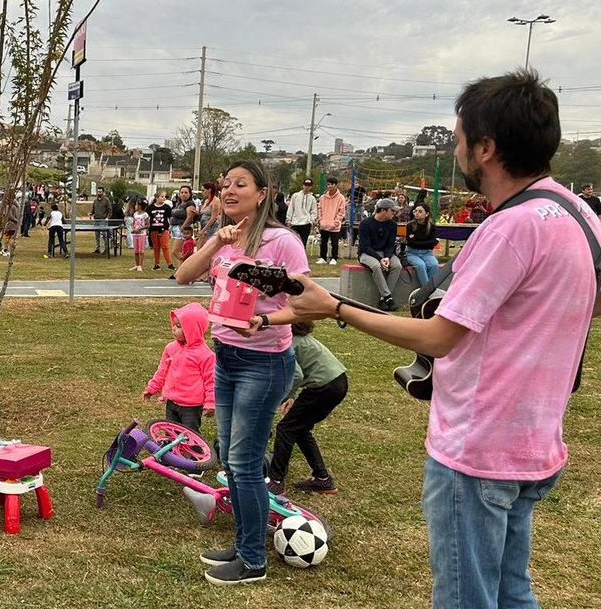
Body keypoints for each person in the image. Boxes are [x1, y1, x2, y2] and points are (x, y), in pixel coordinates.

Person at [288, 69, 600, 609]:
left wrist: (335, 307)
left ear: (486, 148)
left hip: (478, 452)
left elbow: (439, 338)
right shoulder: (579, 215)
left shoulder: (509, 228)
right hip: (535, 443)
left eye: (459, 140)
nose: (456, 152)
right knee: (512, 591)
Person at [174, 159, 309, 585]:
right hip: (226, 357)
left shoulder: (282, 242)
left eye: (241, 184)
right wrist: (217, 239)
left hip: (263, 363)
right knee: (233, 462)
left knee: (245, 463)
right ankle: (243, 543)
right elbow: (182, 276)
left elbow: (305, 306)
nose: (229, 191)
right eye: (225, 185)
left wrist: (264, 321)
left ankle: (252, 561)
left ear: (263, 193)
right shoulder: (225, 240)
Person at [266, 321, 347, 497]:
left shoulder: (286, 342)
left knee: (286, 428)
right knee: (300, 429)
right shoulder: (299, 338)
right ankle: (322, 478)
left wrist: (282, 398)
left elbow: (296, 375)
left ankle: (276, 481)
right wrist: (292, 397)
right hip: (337, 382)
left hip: (324, 386)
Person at [141, 303, 214, 436]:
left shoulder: (205, 355)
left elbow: (211, 381)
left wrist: (210, 402)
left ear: (192, 329)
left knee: (190, 435)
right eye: (174, 324)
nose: (173, 328)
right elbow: (162, 370)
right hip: (172, 401)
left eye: (179, 326)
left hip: (191, 406)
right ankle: (171, 449)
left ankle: (195, 450)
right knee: (170, 432)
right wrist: (152, 388)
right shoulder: (171, 348)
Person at [358, 198, 404, 311]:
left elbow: (390, 245)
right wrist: (380, 259)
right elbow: (365, 246)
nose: (394, 213)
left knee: (397, 266)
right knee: (376, 266)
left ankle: (383, 299)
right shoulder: (365, 224)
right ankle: (388, 297)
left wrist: (387, 257)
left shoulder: (393, 225)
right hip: (367, 253)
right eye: (392, 210)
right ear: (383, 210)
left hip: (385, 253)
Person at [404, 203, 441, 286]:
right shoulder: (410, 226)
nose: (417, 213)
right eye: (415, 211)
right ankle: (427, 290)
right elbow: (411, 243)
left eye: (420, 211)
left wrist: (419, 243)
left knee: (434, 265)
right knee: (421, 266)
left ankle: (429, 287)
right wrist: (429, 243)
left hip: (427, 253)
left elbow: (432, 244)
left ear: (426, 214)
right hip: (412, 253)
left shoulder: (432, 227)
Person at [316, 178, 346, 264]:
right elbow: (319, 209)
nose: (330, 186)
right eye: (328, 184)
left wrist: (336, 222)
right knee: (323, 242)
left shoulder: (341, 198)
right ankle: (323, 257)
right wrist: (320, 220)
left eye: (332, 184)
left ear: (336, 185)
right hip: (324, 224)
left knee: (334, 243)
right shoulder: (322, 197)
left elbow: (342, 212)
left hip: (334, 225)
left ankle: (334, 258)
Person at [287, 179, 318, 250]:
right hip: (295, 222)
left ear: (311, 187)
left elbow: (314, 211)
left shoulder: (312, 198)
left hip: (306, 223)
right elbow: (291, 208)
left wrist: (311, 221)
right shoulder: (295, 196)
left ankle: (301, 255)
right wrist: (289, 219)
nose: (307, 187)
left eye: (309, 185)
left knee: (303, 243)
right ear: (303, 185)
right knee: (294, 242)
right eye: (305, 185)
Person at [169, 186, 196, 263]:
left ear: (190, 194)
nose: (183, 194)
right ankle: (181, 267)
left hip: (183, 229)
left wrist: (182, 229)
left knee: (175, 251)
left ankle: (187, 265)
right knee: (182, 251)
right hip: (176, 228)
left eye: (186, 192)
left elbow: (189, 218)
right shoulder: (179, 204)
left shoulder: (190, 204)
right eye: (182, 192)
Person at [148, 191, 174, 271]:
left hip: (164, 229)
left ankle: (170, 263)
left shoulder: (166, 207)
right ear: (157, 197)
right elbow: (148, 218)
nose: (164, 198)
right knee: (156, 247)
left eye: (164, 196)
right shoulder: (151, 207)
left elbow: (170, 217)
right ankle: (157, 264)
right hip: (153, 229)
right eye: (162, 196)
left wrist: (170, 227)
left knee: (165, 246)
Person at [90, 188, 112, 254]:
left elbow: (110, 211)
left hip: (103, 221)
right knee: (97, 236)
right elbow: (93, 210)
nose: (98, 193)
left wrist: (108, 217)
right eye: (98, 191)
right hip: (96, 220)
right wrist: (91, 214)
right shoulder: (95, 201)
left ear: (103, 192)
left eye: (100, 192)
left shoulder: (106, 200)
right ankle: (98, 249)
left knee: (104, 235)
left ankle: (106, 249)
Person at [128, 200, 149, 271]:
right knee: (136, 251)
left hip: (142, 234)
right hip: (135, 234)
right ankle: (136, 265)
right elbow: (134, 223)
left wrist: (140, 228)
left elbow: (148, 225)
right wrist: (133, 228)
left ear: (140, 206)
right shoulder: (135, 214)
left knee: (141, 251)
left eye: (137, 205)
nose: (135, 206)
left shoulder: (145, 214)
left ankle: (140, 265)